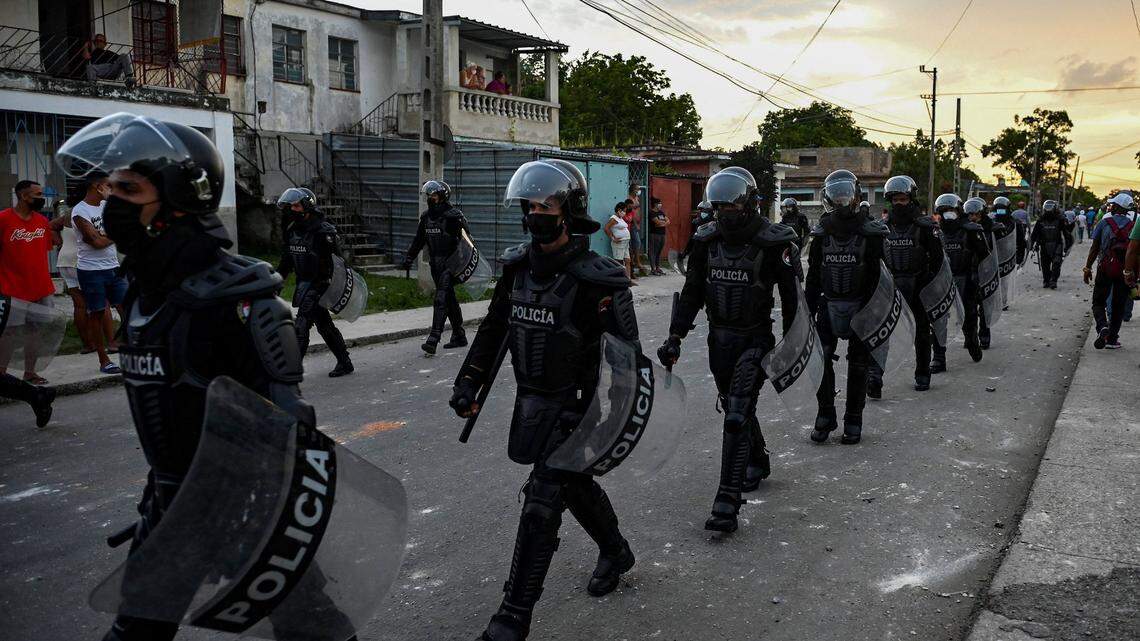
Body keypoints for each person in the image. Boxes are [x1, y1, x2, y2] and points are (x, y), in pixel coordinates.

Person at [56, 112, 364, 641]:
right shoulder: (143, 295)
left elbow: (291, 428)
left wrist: (264, 519)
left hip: (249, 511)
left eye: (129, 188)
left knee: (312, 626)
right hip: (170, 505)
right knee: (136, 629)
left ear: (179, 198)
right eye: (110, 188)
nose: (112, 203)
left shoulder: (238, 301)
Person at [450, 158, 640, 641]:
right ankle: (615, 550)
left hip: (580, 407)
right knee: (572, 488)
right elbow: (493, 332)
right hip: (534, 404)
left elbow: (627, 361)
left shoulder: (599, 279)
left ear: (569, 210)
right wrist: (469, 381)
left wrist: (605, 418)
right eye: (531, 204)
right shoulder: (516, 270)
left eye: (547, 204)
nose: (537, 212)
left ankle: (511, 618)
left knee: (542, 499)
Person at [657, 166, 798, 532]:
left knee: (737, 411)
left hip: (755, 338)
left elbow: (792, 299)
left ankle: (727, 502)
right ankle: (757, 459)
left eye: (732, 207)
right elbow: (691, 294)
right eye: (720, 208)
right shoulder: (707, 241)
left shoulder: (772, 241)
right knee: (734, 406)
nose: (726, 214)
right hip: (718, 341)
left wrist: (792, 343)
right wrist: (675, 336)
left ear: (749, 203)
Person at [805, 170, 887, 445]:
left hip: (861, 305)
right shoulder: (821, 234)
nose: (841, 201)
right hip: (828, 304)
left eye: (845, 195)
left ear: (855, 196)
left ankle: (854, 418)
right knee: (822, 358)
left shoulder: (872, 232)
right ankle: (825, 415)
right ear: (829, 198)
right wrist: (806, 308)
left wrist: (872, 312)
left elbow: (879, 276)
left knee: (859, 365)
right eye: (836, 196)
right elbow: (814, 274)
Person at [869, 175, 943, 392]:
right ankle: (875, 376)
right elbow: (874, 260)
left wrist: (931, 285)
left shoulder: (926, 227)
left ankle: (922, 373)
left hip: (919, 284)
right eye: (895, 200)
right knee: (881, 333)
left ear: (911, 199)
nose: (899, 204)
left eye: (903, 199)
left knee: (921, 332)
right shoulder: (881, 228)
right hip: (891, 287)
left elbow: (938, 261)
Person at [277, 187, 354, 375]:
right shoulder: (292, 231)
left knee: (301, 324)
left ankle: (291, 371)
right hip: (304, 284)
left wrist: (332, 288)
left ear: (306, 206)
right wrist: (277, 283)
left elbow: (338, 262)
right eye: (290, 206)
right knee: (324, 325)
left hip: (320, 284)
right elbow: (287, 260)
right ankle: (345, 362)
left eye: (295, 206)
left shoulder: (323, 231)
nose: (292, 210)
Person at [0, 180, 57, 424]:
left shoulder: (42, 222)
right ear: (23, 196)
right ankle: (2, 375)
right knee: (10, 334)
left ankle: (30, 373)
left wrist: (56, 233)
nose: (41, 197)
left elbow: (45, 248)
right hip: (11, 288)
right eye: (37, 194)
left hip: (41, 286)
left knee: (35, 330)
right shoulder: (3, 219)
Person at [401, 181, 470, 355]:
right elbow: (419, 240)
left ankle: (434, 338)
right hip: (435, 265)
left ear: (442, 196)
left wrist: (460, 264)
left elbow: (466, 242)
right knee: (449, 300)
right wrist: (409, 257)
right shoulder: (426, 218)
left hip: (451, 264)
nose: (430, 198)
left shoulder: (454, 216)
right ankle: (459, 335)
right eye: (428, 195)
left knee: (440, 299)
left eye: (433, 195)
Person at [71, 173, 127, 375]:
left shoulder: (106, 206)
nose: (112, 189)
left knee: (128, 307)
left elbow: (124, 227)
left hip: (113, 266)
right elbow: (95, 242)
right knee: (96, 313)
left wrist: (106, 235)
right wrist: (108, 235)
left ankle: (131, 349)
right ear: (97, 186)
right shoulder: (80, 211)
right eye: (108, 186)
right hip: (91, 270)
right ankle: (104, 360)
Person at [933, 195, 988, 368]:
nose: (949, 215)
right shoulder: (934, 232)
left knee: (969, 318)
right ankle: (939, 358)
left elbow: (984, 256)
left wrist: (978, 277)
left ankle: (972, 342)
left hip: (966, 280)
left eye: (952, 212)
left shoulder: (970, 230)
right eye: (944, 212)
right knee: (938, 320)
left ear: (959, 211)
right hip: (942, 280)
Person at [1084, 192, 1135, 349]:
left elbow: (1095, 247)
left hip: (1105, 268)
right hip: (1124, 271)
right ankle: (1112, 339)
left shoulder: (1104, 223)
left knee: (1098, 302)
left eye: (1113, 204)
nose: (1110, 206)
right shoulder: (1133, 225)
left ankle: (1102, 327)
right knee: (1119, 305)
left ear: (1117, 207)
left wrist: (1088, 267)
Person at [974, 196, 1006, 349]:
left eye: (977, 214)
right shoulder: (964, 228)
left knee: (985, 307)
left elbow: (1002, 248)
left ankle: (984, 335)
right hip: (970, 274)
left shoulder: (992, 228)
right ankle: (971, 336)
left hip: (988, 273)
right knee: (970, 310)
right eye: (971, 214)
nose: (974, 217)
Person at [1029, 200, 1074, 289]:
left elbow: (1066, 233)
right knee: (1045, 265)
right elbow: (1034, 234)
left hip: (1057, 244)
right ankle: (1046, 280)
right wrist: (1031, 245)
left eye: (1050, 207)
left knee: (1056, 264)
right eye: (1047, 207)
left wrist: (1067, 246)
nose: (1049, 210)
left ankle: (1053, 281)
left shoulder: (1060, 220)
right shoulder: (1040, 220)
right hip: (1044, 245)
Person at [605, 201, 633, 281]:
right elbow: (606, 228)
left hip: (625, 243)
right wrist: (613, 238)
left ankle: (628, 278)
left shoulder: (621, 219)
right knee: (618, 261)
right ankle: (619, 278)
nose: (625, 212)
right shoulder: (614, 219)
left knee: (627, 260)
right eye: (623, 210)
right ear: (619, 210)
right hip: (619, 243)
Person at [647, 197, 669, 275]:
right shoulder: (652, 213)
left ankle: (658, 267)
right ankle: (653, 269)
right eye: (659, 203)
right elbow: (657, 223)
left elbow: (668, 221)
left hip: (662, 233)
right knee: (653, 251)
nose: (660, 205)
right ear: (655, 204)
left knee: (659, 251)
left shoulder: (661, 212)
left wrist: (662, 223)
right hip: (654, 234)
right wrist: (663, 223)